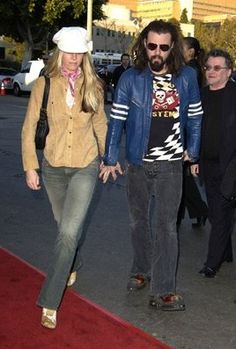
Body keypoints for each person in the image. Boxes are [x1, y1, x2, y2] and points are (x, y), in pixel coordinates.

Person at [100, 20, 203, 311]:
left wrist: (192, 150)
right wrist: (110, 158)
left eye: (164, 47)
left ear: (173, 49)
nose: (157, 52)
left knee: (167, 227)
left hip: (171, 165)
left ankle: (163, 290)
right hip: (138, 163)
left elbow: (195, 116)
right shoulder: (131, 79)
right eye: (152, 45)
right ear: (144, 44)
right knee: (138, 222)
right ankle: (141, 269)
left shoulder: (187, 78)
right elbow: (117, 120)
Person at [21, 26, 107, 329]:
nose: (73, 57)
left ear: (85, 54)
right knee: (64, 229)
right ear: (60, 52)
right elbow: (30, 126)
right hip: (53, 167)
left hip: (85, 164)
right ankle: (73, 262)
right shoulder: (44, 84)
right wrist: (30, 165)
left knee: (68, 233)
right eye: (68, 51)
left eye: (78, 52)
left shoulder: (94, 85)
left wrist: (107, 158)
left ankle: (49, 301)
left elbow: (100, 124)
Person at [191, 48, 236, 278]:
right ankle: (226, 252)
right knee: (219, 211)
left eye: (217, 68)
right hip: (207, 163)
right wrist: (194, 158)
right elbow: (195, 129)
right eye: (208, 67)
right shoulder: (201, 95)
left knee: (219, 212)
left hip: (230, 165)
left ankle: (212, 263)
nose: (211, 72)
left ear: (229, 72)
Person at [177, 37, 208, 228]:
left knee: (179, 176)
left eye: (182, 47)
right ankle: (199, 211)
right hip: (188, 128)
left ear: (191, 51)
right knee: (181, 176)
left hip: (187, 129)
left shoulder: (191, 71)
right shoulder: (191, 68)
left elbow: (189, 104)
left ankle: (180, 215)